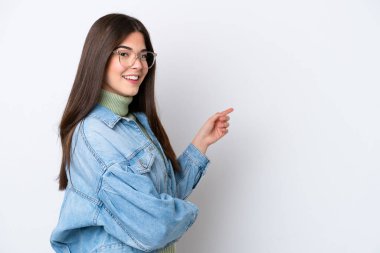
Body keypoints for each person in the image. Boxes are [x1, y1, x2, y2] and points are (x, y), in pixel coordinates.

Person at [50, 13, 233, 253]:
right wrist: (192, 212)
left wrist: (200, 144)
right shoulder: (95, 134)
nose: (138, 65)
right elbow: (153, 225)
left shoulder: (134, 123)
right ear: (98, 58)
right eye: (124, 54)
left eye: (144, 56)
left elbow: (158, 195)